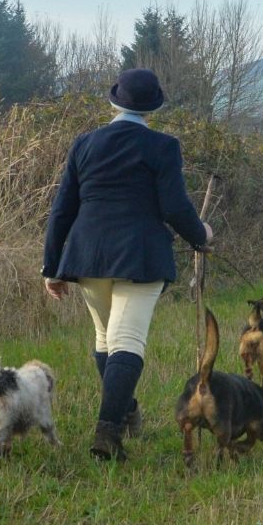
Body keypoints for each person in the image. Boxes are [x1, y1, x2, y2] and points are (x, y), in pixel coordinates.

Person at [42, 68, 213, 460]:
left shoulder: (84, 144)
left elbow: (61, 210)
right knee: (127, 343)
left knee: (106, 341)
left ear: (114, 101)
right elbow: (173, 207)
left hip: (87, 256)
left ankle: (128, 410)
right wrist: (201, 235)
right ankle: (107, 435)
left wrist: (51, 267)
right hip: (140, 255)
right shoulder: (163, 146)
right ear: (153, 107)